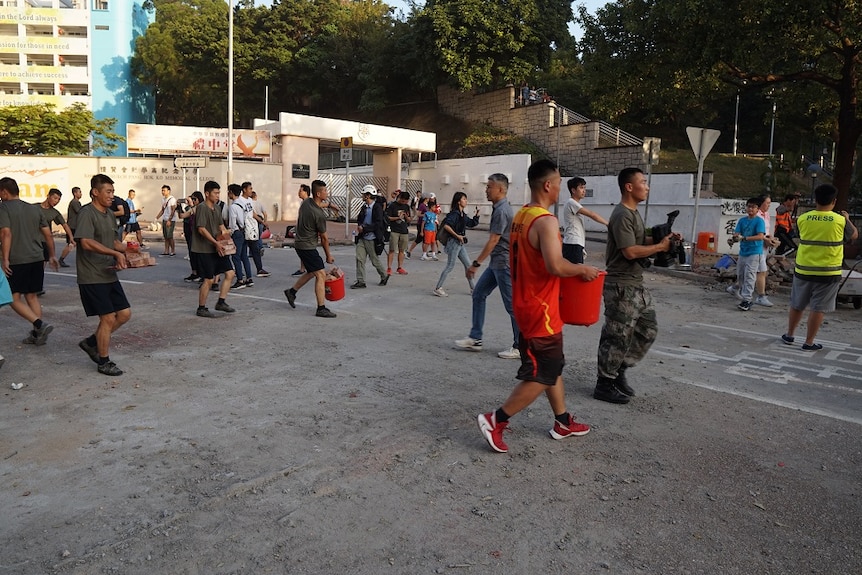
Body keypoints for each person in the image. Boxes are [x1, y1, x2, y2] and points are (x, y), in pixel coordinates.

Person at [477, 159, 601, 454]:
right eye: (558, 182)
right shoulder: (545, 221)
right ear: (548, 185)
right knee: (543, 371)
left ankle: (562, 421)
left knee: (552, 365)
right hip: (539, 309)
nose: (560, 188)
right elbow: (555, 265)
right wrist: (582, 270)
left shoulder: (523, 215)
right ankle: (496, 419)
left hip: (529, 303)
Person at [594, 167, 679, 404]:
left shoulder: (633, 213)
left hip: (635, 284)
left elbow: (639, 242)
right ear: (629, 187)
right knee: (617, 335)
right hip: (620, 285)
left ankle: (618, 370)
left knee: (647, 330)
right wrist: (659, 248)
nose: (647, 186)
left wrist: (664, 241)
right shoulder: (622, 214)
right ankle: (604, 382)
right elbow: (630, 251)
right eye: (643, 182)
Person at [781, 184, 858, 350]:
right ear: (834, 201)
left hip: (804, 269)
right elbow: (854, 235)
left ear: (816, 200)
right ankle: (809, 342)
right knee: (818, 308)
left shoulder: (803, 218)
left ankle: (789, 335)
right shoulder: (840, 221)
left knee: (797, 304)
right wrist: (847, 218)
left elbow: (800, 235)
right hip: (828, 272)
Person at [454, 174, 520, 359]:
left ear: (500, 189)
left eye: (489, 187)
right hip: (497, 263)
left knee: (512, 305)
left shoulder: (501, 210)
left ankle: (521, 345)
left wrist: (476, 264)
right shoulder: (500, 208)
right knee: (479, 294)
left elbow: (494, 240)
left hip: (503, 263)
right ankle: (476, 338)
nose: (486, 190)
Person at [75, 174, 131, 376]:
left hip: (108, 272)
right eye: (108, 192)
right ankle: (103, 361)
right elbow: (86, 242)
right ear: (95, 192)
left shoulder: (109, 214)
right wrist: (115, 253)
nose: (112, 196)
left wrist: (129, 250)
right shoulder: (86, 213)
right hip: (92, 275)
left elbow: (113, 242)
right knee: (108, 318)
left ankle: (91, 342)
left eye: (113, 192)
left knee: (124, 314)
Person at [0, 177, 57, 345]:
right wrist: (52, 255)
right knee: (32, 296)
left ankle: (39, 324)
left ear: (4, 191)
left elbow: (6, 234)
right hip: (36, 257)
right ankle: (37, 334)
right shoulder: (34, 209)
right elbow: (48, 235)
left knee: (12, 298)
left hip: (17, 259)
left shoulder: (3, 208)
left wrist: (5, 259)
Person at [283, 179, 337, 318]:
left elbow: (319, 205)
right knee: (320, 274)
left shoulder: (306, 202)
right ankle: (321, 308)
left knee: (313, 271)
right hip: (307, 246)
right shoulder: (319, 215)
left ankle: (292, 292)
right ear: (318, 193)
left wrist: (329, 205)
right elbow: (324, 238)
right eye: (325, 190)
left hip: (300, 244)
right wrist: (328, 255)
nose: (327, 192)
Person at [192, 181, 236, 318]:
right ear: (207, 193)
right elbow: (201, 229)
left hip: (218, 248)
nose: (218, 196)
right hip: (204, 249)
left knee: (230, 273)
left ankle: (221, 302)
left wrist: (227, 240)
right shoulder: (202, 208)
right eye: (215, 193)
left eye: (218, 193)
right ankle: (201, 308)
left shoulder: (217, 208)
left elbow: (220, 226)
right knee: (209, 279)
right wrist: (215, 243)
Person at [433, 192, 478, 297]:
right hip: (454, 242)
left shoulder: (462, 214)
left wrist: (477, 215)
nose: (466, 201)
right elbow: (447, 226)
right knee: (450, 265)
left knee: (468, 265)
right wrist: (457, 236)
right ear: (458, 201)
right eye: (464, 199)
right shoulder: (455, 214)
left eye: (466, 199)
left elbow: (471, 223)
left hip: (460, 243)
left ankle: (473, 289)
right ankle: (438, 288)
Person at [732, 197, 767, 311]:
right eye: (749, 206)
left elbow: (761, 236)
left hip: (754, 251)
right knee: (741, 274)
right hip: (743, 251)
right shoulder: (742, 220)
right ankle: (741, 293)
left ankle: (747, 299)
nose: (750, 209)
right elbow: (737, 233)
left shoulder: (759, 221)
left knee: (750, 275)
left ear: (757, 209)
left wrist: (745, 238)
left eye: (753, 207)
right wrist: (734, 238)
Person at [351, 185, 389, 289]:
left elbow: (378, 224)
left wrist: (366, 228)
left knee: (374, 260)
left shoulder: (377, 208)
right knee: (359, 258)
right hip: (363, 237)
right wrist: (360, 225)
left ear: (368, 195)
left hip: (372, 238)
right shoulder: (364, 207)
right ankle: (361, 281)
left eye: (363, 194)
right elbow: (360, 218)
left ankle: (384, 275)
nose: (362, 196)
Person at [563, 177, 608, 264]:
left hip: (575, 243)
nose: (584, 191)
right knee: (575, 273)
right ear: (573, 190)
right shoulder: (571, 202)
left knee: (574, 272)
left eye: (584, 188)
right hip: (573, 243)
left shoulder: (574, 203)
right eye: (581, 188)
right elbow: (591, 214)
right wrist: (607, 223)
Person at [38, 188, 75, 269]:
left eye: (58, 200)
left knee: (41, 269)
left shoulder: (55, 213)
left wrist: (71, 237)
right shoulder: (34, 208)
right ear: (48, 196)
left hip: (45, 242)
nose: (56, 201)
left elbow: (64, 225)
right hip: (33, 242)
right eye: (55, 198)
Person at [226, 184, 254, 289]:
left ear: (232, 193)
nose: (228, 194)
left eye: (229, 192)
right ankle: (249, 278)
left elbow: (232, 222)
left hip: (237, 232)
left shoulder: (233, 206)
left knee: (236, 257)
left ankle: (240, 279)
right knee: (244, 256)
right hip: (245, 231)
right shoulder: (244, 203)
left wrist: (230, 232)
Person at [242, 182, 270, 278]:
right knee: (241, 252)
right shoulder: (240, 201)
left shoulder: (249, 200)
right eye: (249, 188)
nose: (251, 190)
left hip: (251, 229)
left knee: (255, 249)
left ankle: (259, 269)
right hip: (243, 229)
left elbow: (252, 213)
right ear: (244, 190)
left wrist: (262, 222)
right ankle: (239, 272)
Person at [178, 191, 203, 282]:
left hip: (199, 235)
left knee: (199, 255)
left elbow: (196, 213)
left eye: (194, 199)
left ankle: (202, 274)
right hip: (191, 233)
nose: (193, 201)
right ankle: (195, 272)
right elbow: (182, 216)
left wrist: (191, 204)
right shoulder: (193, 208)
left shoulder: (201, 207)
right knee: (192, 254)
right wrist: (179, 207)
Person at [386, 190, 412, 275]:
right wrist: (398, 217)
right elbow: (388, 218)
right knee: (392, 249)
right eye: (403, 200)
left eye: (406, 201)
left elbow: (409, 219)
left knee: (402, 250)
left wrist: (407, 217)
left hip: (404, 230)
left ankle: (400, 267)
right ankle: (389, 268)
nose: (404, 202)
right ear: (400, 198)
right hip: (394, 230)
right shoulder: (392, 205)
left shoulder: (406, 207)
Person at [59, 186, 82, 267]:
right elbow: (80, 213)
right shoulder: (75, 202)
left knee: (78, 244)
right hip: (73, 227)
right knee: (71, 244)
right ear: (75, 193)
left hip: (75, 227)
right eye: (79, 192)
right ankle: (61, 259)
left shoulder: (76, 202)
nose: (81, 194)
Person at [292, 184, 311, 276]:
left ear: (306, 192)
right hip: (301, 230)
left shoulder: (309, 203)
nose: (299, 193)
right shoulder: (303, 203)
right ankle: (303, 268)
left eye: (300, 191)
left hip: (306, 231)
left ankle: (306, 268)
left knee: (305, 249)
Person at [156, 184, 178, 256]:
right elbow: (162, 210)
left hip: (170, 220)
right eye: (162, 190)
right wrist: (156, 218)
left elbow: (173, 210)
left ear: (169, 191)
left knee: (169, 236)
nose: (163, 192)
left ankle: (173, 250)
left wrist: (169, 220)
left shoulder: (172, 200)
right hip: (164, 219)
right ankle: (166, 250)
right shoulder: (163, 199)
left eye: (164, 190)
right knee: (165, 236)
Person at [407, 193, 431, 258]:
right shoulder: (422, 205)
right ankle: (409, 251)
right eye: (428, 198)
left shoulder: (426, 205)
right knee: (419, 238)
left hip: (425, 223)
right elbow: (418, 214)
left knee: (424, 239)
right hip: (421, 223)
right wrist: (425, 215)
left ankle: (424, 253)